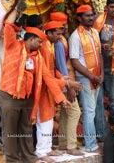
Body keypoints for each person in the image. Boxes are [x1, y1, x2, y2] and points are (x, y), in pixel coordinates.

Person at [0, 3, 72, 163]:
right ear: (30, 39)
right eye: (39, 42)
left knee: (25, 129)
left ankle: (29, 158)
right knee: (11, 131)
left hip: (27, 97)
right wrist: (16, 8)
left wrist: (62, 98)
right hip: (10, 95)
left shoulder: (38, 57)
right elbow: (8, 26)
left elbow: (48, 78)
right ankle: (11, 160)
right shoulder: (13, 46)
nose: (41, 46)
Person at [37, 21, 81, 162]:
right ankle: (42, 151)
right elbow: (44, 73)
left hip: (52, 84)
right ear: (48, 33)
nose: (60, 37)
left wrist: (61, 76)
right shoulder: (43, 46)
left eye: (61, 34)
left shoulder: (51, 44)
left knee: (49, 119)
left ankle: (49, 148)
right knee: (44, 120)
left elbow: (51, 69)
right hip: (44, 87)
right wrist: (66, 83)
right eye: (58, 34)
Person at [69, 5, 103, 153]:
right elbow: (75, 61)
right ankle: (90, 144)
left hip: (96, 77)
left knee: (94, 110)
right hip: (85, 78)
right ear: (79, 18)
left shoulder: (95, 32)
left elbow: (99, 55)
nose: (91, 18)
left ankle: (93, 141)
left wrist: (100, 75)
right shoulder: (75, 36)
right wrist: (92, 77)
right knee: (89, 111)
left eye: (91, 15)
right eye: (87, 16)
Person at [50, 12, 83, 155]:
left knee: (65, 112)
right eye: (63, 25)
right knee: (75, 112)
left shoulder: (61, 39)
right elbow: (61, 66)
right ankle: (71, 146)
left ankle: (63, 144)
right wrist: (68, 86)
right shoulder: (58, 43)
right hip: (63, 81)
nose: (65, 27)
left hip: (63, 80)